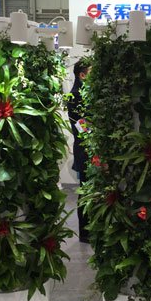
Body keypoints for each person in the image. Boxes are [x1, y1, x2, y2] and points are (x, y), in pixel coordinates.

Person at [67, 58, 91, 243]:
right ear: (82, 75)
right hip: (84, 149)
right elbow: (81, 125)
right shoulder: (75, 95)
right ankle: (85, 233)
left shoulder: (83, 93)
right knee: (85, 190)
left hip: (87, 147)